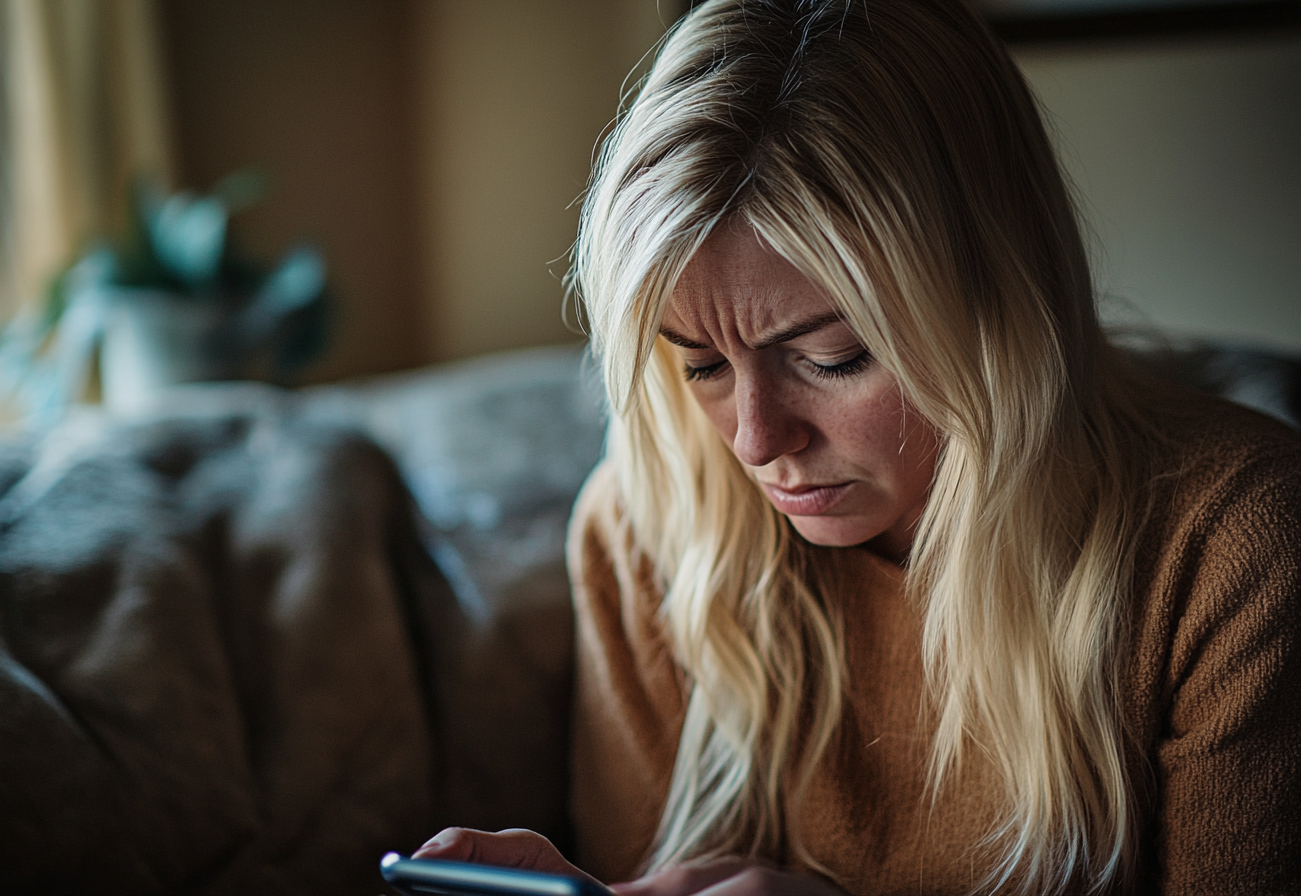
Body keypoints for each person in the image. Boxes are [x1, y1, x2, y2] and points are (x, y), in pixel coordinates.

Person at [414, 0, 1301, 893]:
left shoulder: (1236, 548)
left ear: (999, 306)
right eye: (702, 365)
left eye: (830, 359)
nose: (758, 442)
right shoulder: (649, 531)